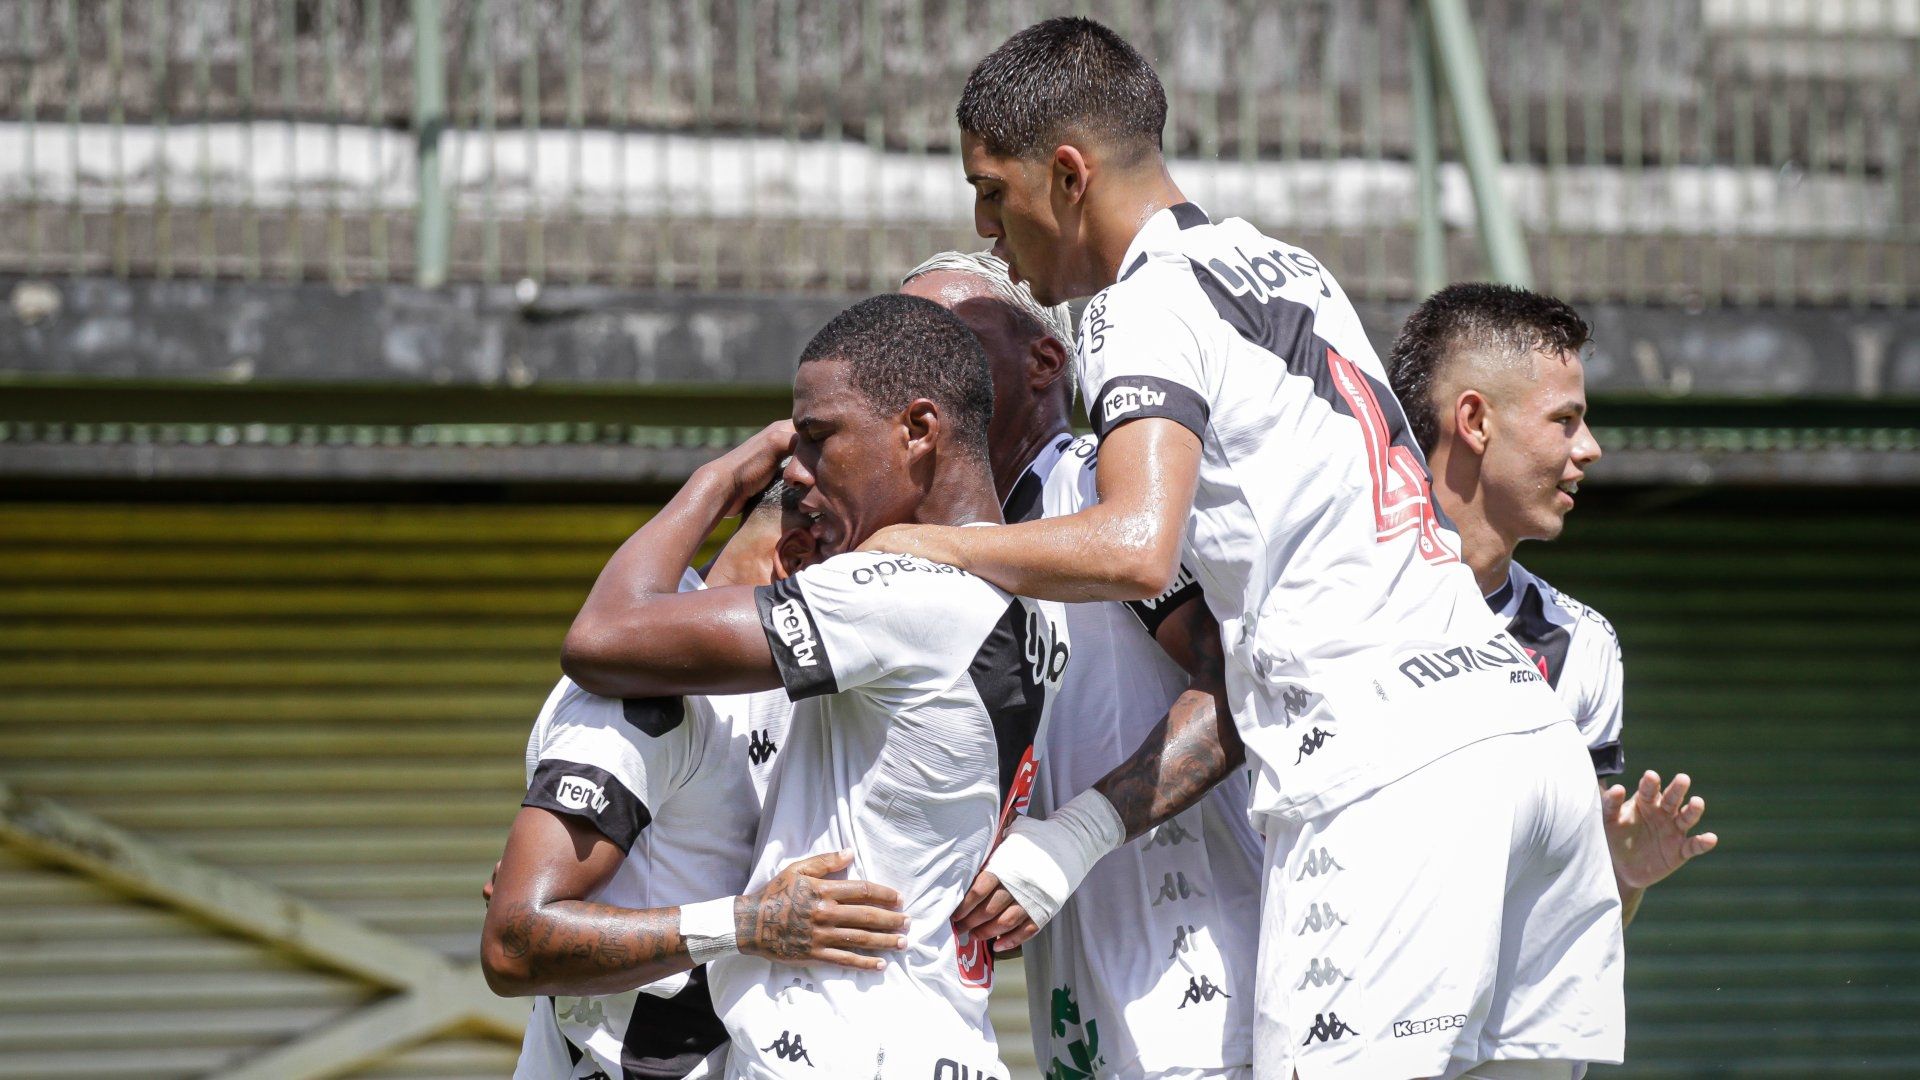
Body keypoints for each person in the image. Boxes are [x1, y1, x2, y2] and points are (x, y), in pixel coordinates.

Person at [864, 18, 1623, 1079]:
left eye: (992, 190)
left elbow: (1134, 545)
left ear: (1069, 174)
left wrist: (931, 550)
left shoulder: (1137, 306)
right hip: (1517, 735)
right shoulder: (1287, 266)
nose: (988, 226)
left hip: (1387, 766)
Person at [558, 293, 1070, 1080]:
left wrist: (717, 477)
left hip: (838, 1044)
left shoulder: (897, 593)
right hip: (939, 1034)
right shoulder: (1029, 594)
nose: (795, 469)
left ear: (919, 430)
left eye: (818, 437)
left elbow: (603, 638)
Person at [904, 251, 1261, 1080]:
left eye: (943, 338)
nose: (914, 364)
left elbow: (1242, 688)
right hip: (1091, 1005)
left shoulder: (1098, 489)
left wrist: (1075, 835)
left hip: (1201, 1006)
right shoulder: (974, 544)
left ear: (1043, 361)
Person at [482, 480, 910, 1079]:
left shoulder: (803, 683)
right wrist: (747, 924)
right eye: (863, 581)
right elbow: (515, 943)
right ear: (796, 558)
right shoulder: (642, 695)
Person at [1386, 282, 1718, 928]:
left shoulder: (1583, 646)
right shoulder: (1330, 600)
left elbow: (1570, 934)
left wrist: (1621, 876)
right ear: (1476, 421)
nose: (1589, 448)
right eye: (1565, 420)